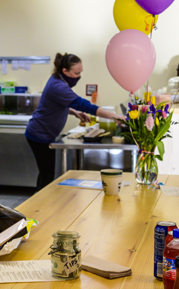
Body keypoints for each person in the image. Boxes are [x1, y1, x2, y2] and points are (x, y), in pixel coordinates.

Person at [25, 52, 124, 190]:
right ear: (65, 70)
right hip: (39, 134)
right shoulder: (58, 86)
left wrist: (74, 112)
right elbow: (85, 105)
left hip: (44, 133)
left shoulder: (57, 79)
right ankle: (38, 207)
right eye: (77, 73)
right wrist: (115, 116)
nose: (79, 76)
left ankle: (40, 203)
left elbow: (58, 104)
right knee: (47, 175)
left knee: (45, 174)